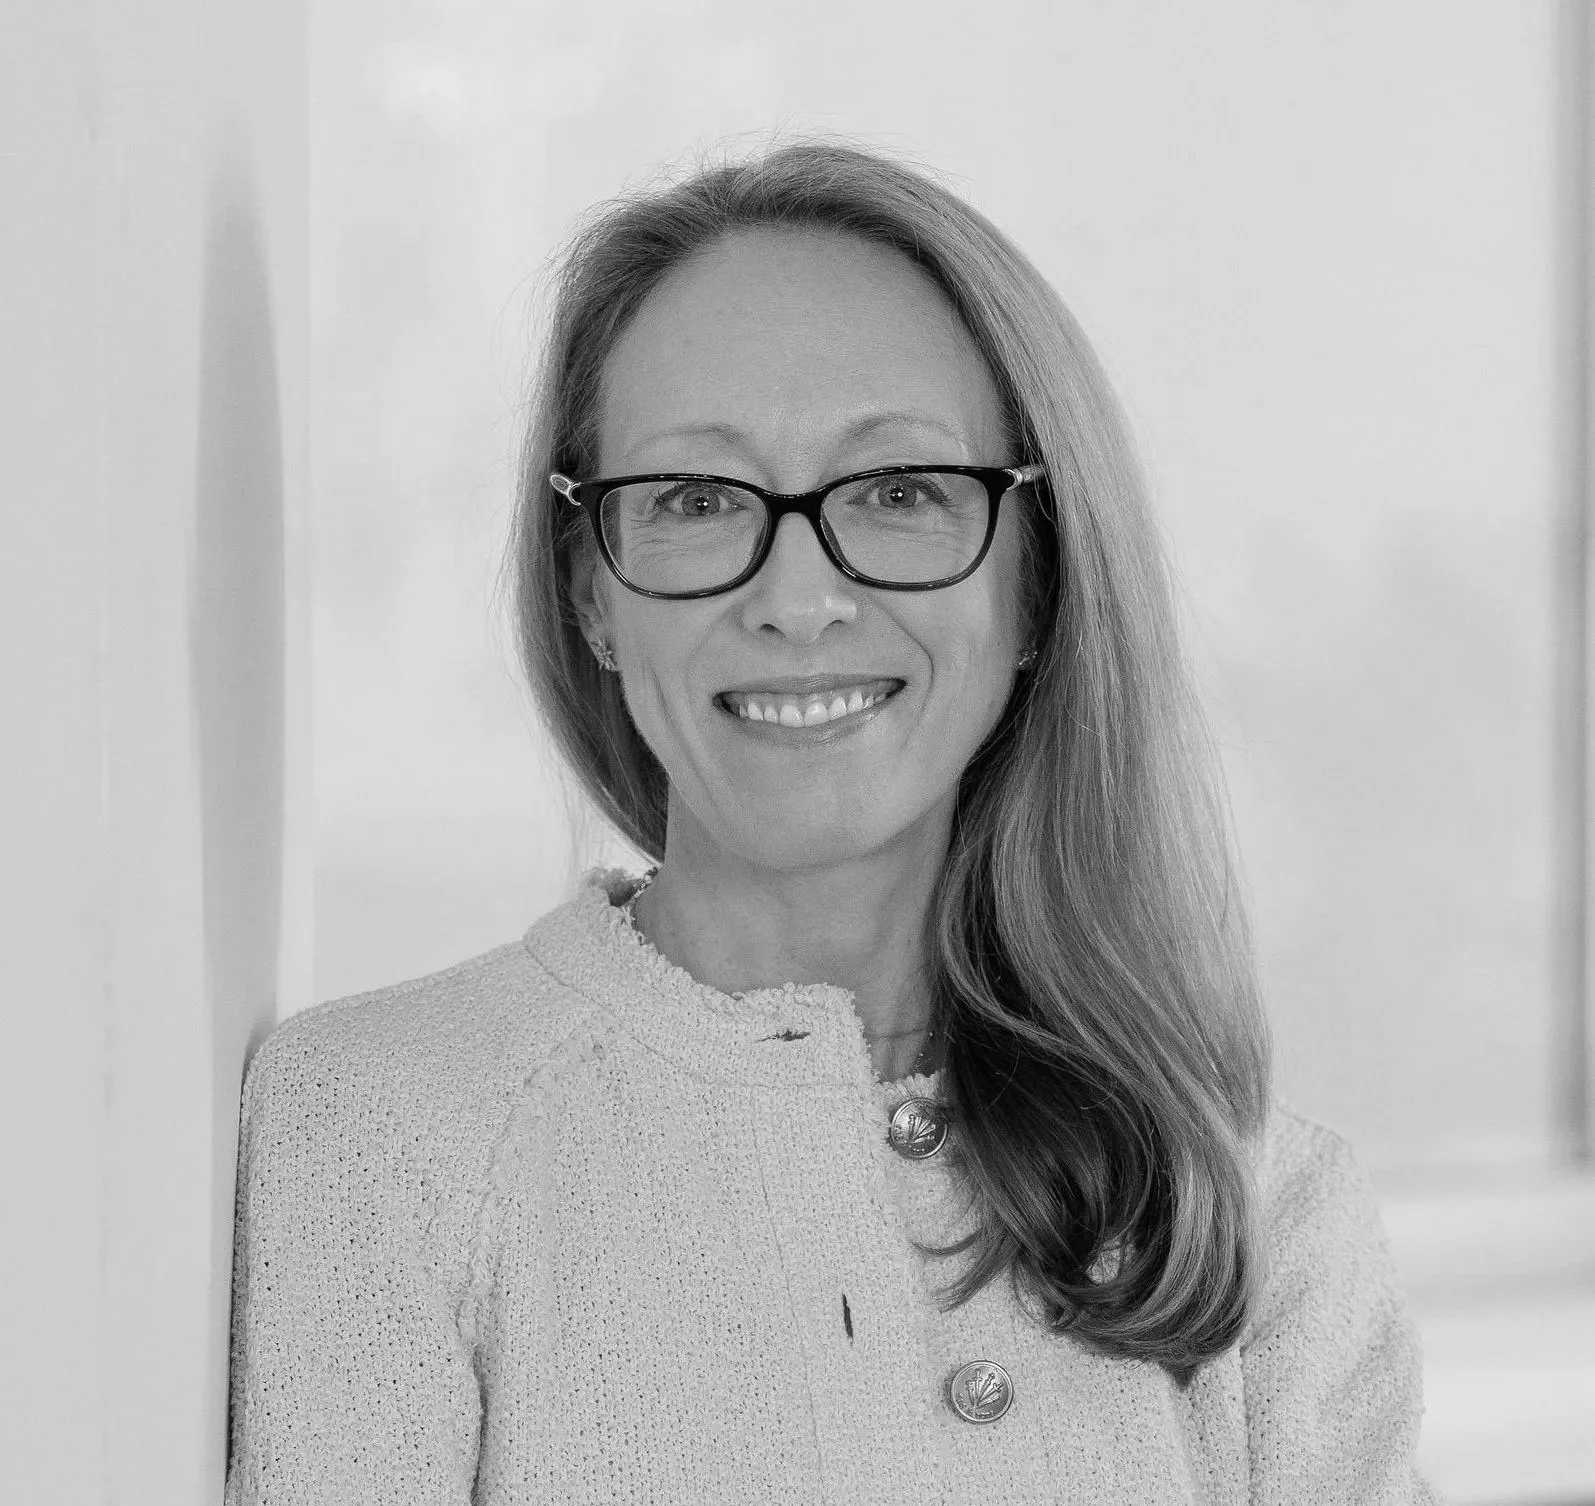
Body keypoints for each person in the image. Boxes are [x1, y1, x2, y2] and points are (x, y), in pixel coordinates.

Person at [224, 140, 1439, 1504]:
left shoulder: (1269, 1217)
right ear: (590, 594)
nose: (797, 598)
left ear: (1035, 582)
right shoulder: (379, 1129)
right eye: (692, 499)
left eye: (899, 491)